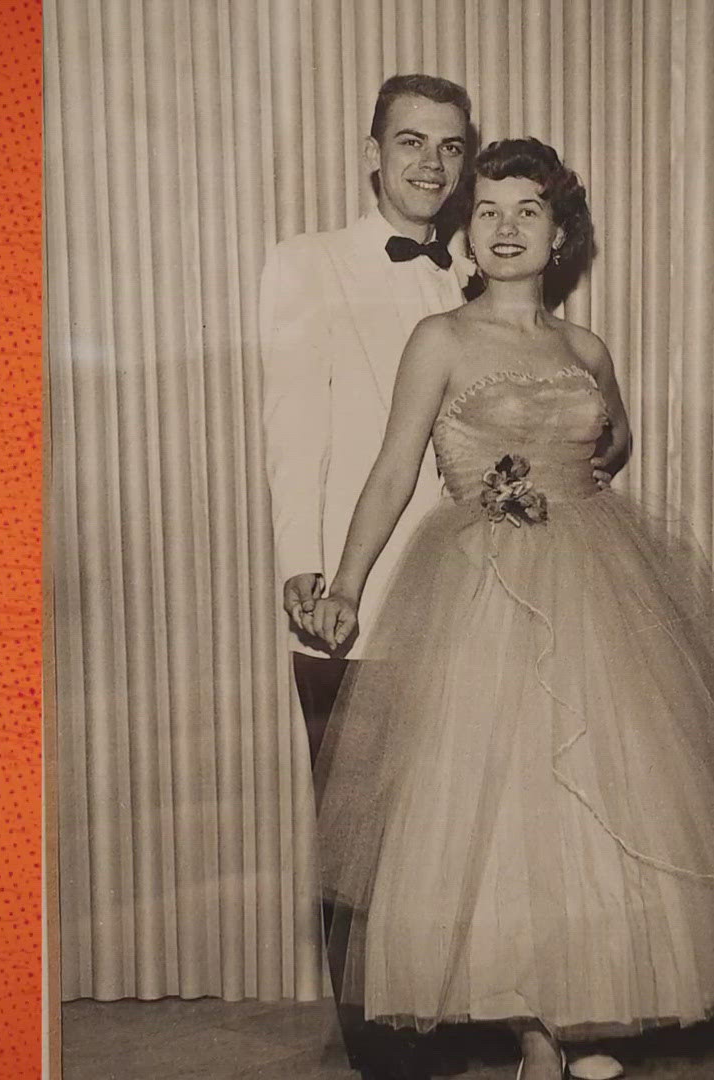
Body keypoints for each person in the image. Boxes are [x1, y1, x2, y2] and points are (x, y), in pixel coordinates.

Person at [306, 139, 714, 1080]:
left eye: (527, 210)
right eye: (487, 210)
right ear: (466, 234)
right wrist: (345, 585)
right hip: (479, 593)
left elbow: (614, 438)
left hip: (598, 587)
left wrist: (575, 478)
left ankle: (577, 1020)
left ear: (560, 235)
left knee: (600, 800)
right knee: (500, 804)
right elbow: (395, 466)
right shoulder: (439, 338)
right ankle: (535, 1036)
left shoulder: (585, 347)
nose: (506, 227)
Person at [257, 74, 475, 1080]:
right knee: (356, 844)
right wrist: (304, 570)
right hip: (350, 606)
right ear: (371, 152)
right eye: (411, 142)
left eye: (450, 146)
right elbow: (292, 426)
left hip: (466, 608)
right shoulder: (306, 265)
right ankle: (378, 1057)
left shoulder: (474, 284)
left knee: (447, 832)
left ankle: (440, 1021)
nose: (431, 163)